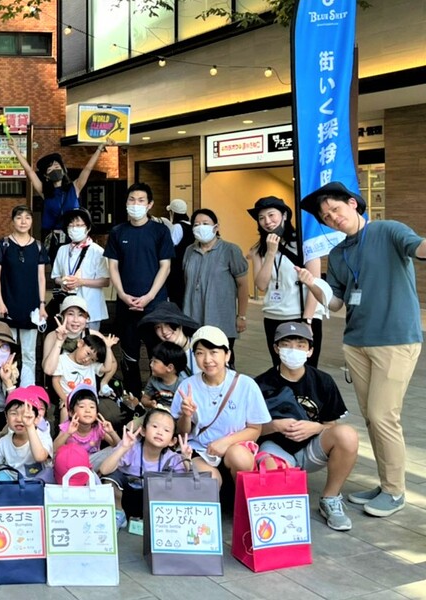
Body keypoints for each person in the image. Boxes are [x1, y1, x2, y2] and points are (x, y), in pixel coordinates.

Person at [298, 181, 425, 517]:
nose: (333, 218)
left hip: (395, 339)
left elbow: (418, 248)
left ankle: (396, 491)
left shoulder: (388, 230)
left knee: (384, 416)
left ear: (353, 204)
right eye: (326, 217)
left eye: (336, 209)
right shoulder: (339, 253)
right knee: (372, 418)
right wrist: (315, 285)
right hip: (357, 343)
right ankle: (387, 483)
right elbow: (338, 303)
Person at [254, 322, 358, 531]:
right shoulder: (260, 384)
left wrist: (316, 428)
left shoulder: (323, 381)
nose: (293, 350)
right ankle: (279, 517)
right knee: (270, 467)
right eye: (286, 344)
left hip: (311, 449)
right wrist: (274, 425)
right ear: (276, 348)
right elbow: (252, 431)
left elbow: (331, 425)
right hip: (275, 448)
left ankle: (330, 498)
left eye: (301, 345)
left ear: (310, 351)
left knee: (347, 435)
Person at [172, 326, 271, 483]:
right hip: (199, 449)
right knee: (211, 480)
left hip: (234, 447)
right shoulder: (187, 386)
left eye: (213, 352)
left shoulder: (246, 384)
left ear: (227, 355)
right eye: (200, 353)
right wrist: (186, 415)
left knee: (240, 458)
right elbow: (182, 433)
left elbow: (255, 429)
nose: (207, 359)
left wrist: (226, 442)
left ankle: (240, 499)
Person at [105, 183, 174, 394]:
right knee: (129, 356)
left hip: (155, 306)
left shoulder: (160, 231)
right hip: (127, 306)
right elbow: (113, 266)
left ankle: (159, 397)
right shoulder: (118, 232)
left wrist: (149, 296)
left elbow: (165, 266)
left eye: (141, 200)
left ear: (150, 204)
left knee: (159, 356)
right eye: (131, 200)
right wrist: (123, 295)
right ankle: (133, 398)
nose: (136, 204)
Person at [248, 195, 325, 367]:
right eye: (261, 218)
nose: (267, 221)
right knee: (280, 367)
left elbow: (315, 284)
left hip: (302, 316)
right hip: (274, 316)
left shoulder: (304, 243)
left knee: (307, 368)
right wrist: (270, 253)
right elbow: (261, 285)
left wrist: (307, 321)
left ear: (284, 215)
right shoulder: (258, 249)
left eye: (271, 215)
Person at [99, 409, 193, 526]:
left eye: (166, 430)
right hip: (126, 499)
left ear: (172, 441)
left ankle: (157, 521)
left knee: (174, 484)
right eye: (155, 426)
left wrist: (187, 460)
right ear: (143, 431)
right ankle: (118, 514)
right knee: (111, 478)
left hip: (152, 505)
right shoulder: (131, 448)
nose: (159, 432)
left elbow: (188, 486)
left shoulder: (173, 458)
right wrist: (123, 448)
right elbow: (104, 470)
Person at [7, 137, 114, 238]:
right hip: (52, 237)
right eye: (50, 169)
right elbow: (29, 171)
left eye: (57, 167)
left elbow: (88, 168)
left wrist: (100, 147)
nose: (55, 170)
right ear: (46, 176)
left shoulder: (75, 187)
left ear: (63, 170)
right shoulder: (45, 192)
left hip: (73, 235)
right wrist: (15, 150)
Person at [182, 208, 249, 364]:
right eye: (196, 224)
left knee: (221, 361)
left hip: (221, 318)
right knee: (196, 360)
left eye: (205, 223)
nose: (200, 227)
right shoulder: (189, 251)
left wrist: (242, 316)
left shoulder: (230, 250)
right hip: (193, 316)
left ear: (216, 227)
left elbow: (242, 285)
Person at [0, 205, 50, 375]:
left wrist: (42, 304)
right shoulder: (3, 244)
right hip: (7, 305)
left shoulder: (38, 247)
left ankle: (27, 391)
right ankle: (8, 390)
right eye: (19, 217)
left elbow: (41, 277)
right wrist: (0, 302)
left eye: (27, 217)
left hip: (31, 306)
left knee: (29, 353)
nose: (23, 221)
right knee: (5, 353)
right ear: (12, 221)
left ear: (32, 221)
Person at [49, 208, 109, 330]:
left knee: (89, 346)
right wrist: (63, 282)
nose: (75, 228)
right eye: (71, 225)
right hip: (68, 308)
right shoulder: (62, 250)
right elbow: (55, 277)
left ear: (88, 228)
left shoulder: (97, 251)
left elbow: (105, 281)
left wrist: (81, 282)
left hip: (91, 308)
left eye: (79, 225)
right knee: (67, 345)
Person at [53, 384, 120, 473]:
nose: (88, 410)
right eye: (82, 406)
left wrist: (111, 432)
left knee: (114, 452)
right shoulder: (68, 426)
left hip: (91, 463)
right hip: (71, 464)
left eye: (92, 407)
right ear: (71, 413)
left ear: (97, 413)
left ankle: (96, 477)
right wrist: (68, 433)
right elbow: (54, 449)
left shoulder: (98, 428)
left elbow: (119, 447)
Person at [0, 390, 54, 481]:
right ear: (6, 417)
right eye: (13, 413)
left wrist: (30, 426)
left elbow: (40, 457)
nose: (19, 419)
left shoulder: (43, 437)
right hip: (13, 484)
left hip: (37, 484)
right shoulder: (4, 442)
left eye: (26, 415)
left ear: (36, 418)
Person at [137, 301, 200, 377]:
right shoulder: (161, 356)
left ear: (179, 324)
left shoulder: (199, 347)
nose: (164, 331)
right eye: (158, 327)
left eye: (167, 324)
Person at [41, 295, 92, 377]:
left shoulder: (91, 334)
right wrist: (59, 340)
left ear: (87, 318)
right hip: (59, 385)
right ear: (62, 316)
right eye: (71, 314)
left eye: (81, 315)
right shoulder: (52, 336)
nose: (76, 320)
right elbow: (48, 370)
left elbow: (109, 366)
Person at [165, 199, 194, 305]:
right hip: (187, 265)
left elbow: (170, 246)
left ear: (172, 212)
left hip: (176, 268)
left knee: (176, 296)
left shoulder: (177, 227)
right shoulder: (190, 225)